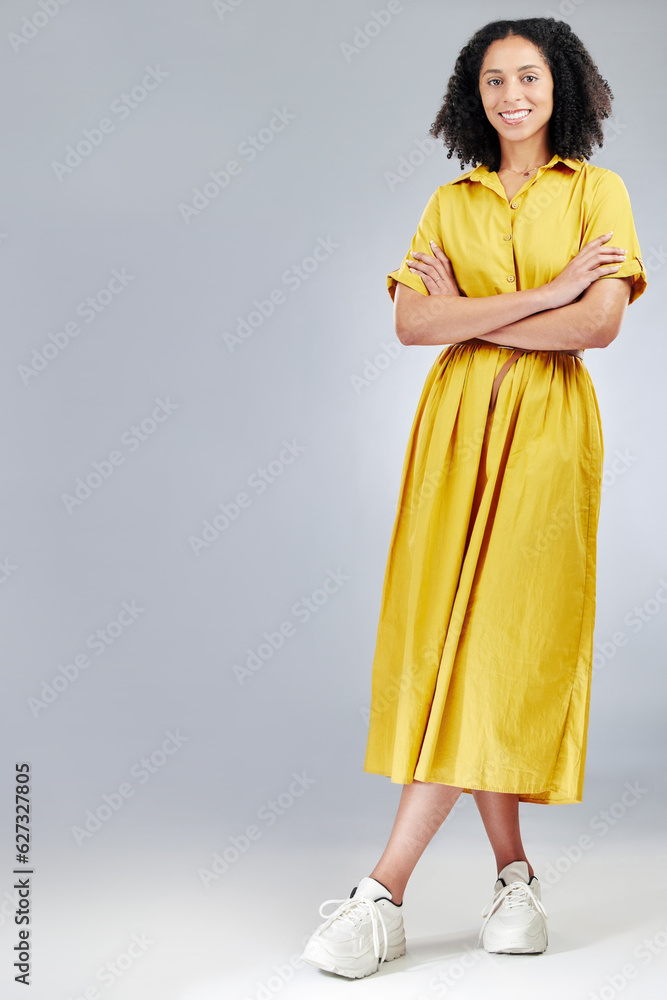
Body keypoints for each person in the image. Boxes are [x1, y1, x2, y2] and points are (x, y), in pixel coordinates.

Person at [301, 16, 647, 980]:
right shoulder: (447, 200)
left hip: (544, 439)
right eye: (493, 80)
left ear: (560, 86)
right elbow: (413, 323)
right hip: (451, 438)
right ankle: (515, 879)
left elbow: (602, 322)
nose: (511, 96)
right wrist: (541, 296)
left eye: (528, 77)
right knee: (453, 638)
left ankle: (383, 895)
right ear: (473, 96)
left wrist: (479, 312)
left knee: (497, 638)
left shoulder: (599, 191)